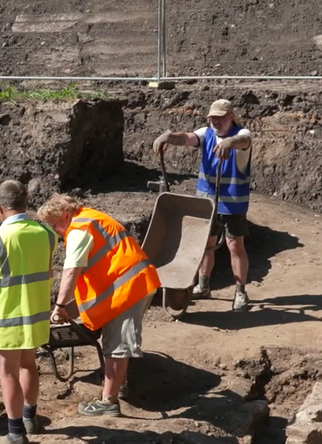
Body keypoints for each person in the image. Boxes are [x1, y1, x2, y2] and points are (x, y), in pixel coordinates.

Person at [37, 195, 162, 417]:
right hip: (132, 283)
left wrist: (59, 306)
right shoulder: (90, 219)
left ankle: (109, 402)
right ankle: (117, 383)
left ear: (66, 215)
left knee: (116, 344)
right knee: (115, 341)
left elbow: (71, 271)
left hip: (129, 287)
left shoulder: (78, 230)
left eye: (54, 223)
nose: (54, 229)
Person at [0, 180, 57, 444]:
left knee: (7, 372)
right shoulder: (45, 234)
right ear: (26, 204)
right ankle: (30, 418)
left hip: (6, 317)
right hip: (35, 313)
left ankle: (15, 432)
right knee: (28, 364)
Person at [152, 99, 254, 311]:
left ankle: (241, 292)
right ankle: (203, 285)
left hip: (232, 204)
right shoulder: (206, 133)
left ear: (230, 117)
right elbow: (188, 138)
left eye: (220, 118)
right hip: (206, 203)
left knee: (235, 246)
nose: (215, 122)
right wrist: (170, 137)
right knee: (204, 244)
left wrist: (230, 142)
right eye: (212, 118)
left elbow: (244, 141)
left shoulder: (242, 134)